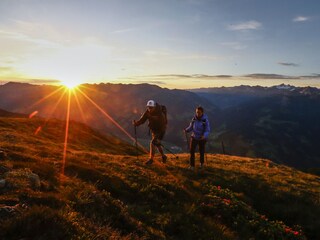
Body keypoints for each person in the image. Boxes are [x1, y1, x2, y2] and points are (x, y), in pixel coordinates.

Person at [133, 100, 167, 165]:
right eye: (148, 107)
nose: (149, 109)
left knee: (153, 143)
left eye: (151, 107)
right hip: (154, 130)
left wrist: (159, 135)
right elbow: (142, 120)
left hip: (160, 130)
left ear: (154, 107)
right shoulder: (148, 112)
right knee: (157, 144)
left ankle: (151, 159)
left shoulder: (160, 114)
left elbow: (163, 126)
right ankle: (164, 156)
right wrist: (137, 123)